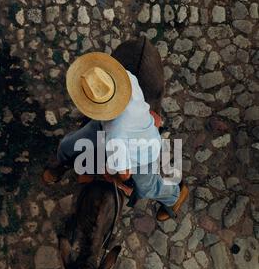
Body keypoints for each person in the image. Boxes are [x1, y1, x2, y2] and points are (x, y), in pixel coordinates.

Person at [43, 52, 189, 221]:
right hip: (125, 123)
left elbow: (125, 174)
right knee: (68, 146)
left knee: (146, 188)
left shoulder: (115, 134)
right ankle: (62, 164)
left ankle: (174, 195)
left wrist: (110, 174)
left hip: (143, 153)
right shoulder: (126, 78)